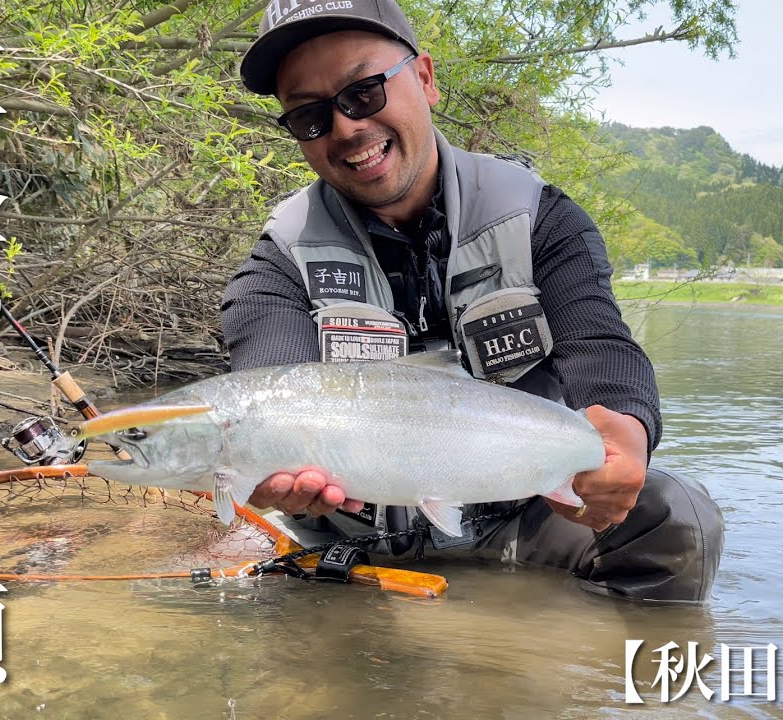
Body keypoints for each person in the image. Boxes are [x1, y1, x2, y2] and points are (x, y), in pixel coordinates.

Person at [222, 0, 723, 602]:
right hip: (344, 526)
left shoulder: (541, 219)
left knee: (676, 523)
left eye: (364, 91)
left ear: (426, 79)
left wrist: (625, 433)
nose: (346, 128)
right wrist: (262, 465)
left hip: (522, 513)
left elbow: (597, 343)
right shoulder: (281, 257)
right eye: (309, 116)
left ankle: (592, 688)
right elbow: (266, 383)